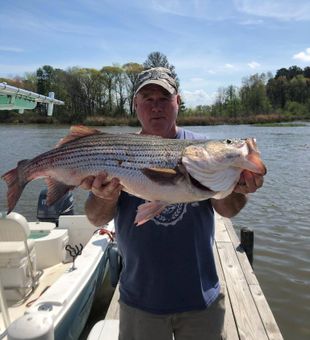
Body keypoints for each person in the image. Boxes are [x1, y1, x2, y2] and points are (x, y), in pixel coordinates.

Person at [80, 67, 264, 340]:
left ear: (178, 102)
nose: (156, 107)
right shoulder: (115, 151)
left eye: (164, 99)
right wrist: (102, 195)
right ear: (135, 105)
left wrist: (239, 188)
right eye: (148, 99)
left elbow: (227, 210)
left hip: (201, 297)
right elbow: (96, 219)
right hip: (139, 299)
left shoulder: (200, 149)